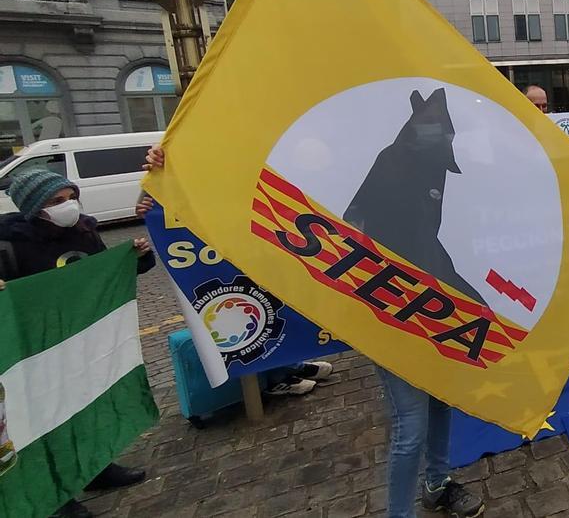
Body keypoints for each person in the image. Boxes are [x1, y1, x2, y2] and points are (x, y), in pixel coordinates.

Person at [143, 146, 483, 518]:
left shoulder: (431, 168)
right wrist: (168, 179)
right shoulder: (358, 176)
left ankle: (437, 483)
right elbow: (242, 192)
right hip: (387, 320)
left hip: (438, 310)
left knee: (442, 404)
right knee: (411, 426)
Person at [0, 169, 155, 518]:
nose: (67, 206)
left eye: (71, 197)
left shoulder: (85, 231)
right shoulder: (10, 243)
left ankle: (95, 468)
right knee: (44, 421)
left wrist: (138, 256)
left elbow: (107, 273)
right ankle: (54, 496)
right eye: (57, 201)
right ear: (34, 207)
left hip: (83, 340)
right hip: (36, 350)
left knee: (86, 403)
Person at [131, 192, 334, 397]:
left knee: (271, 303)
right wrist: (147, 209)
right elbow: (148, 198)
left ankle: (290, 364)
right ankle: (277, 377)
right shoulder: (163, 162)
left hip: (241, 231)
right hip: (208, 247)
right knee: (243, 313)